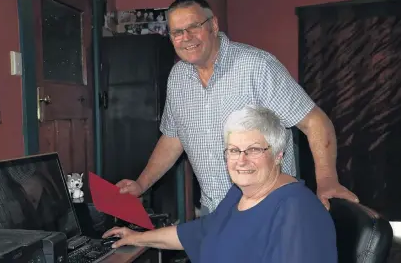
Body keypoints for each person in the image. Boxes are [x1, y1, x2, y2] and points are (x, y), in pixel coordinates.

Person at [116, 0, 359, 214]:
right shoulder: (178, 78)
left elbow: (315, 121)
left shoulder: (257, 66)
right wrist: (141, 184)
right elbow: (173, 139)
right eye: (177, 32)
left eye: (194, 27)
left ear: (213, 25)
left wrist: (327, 180)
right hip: (215, 212)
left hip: (269, 210)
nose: (186, 38)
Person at [105, 106, 338, 263]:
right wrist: (136, 237)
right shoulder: (239, 194)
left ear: (278, 154)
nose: (242, 160)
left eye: (254, 150)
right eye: (234, 150)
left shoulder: (297, 212)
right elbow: (197, 232)